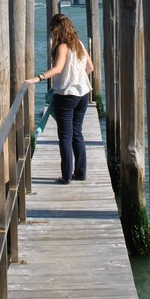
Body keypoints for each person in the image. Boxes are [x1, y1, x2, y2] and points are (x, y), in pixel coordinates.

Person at [25, 13, 94, 184]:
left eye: (51, 29)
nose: (50, 32)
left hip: (67, 94)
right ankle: (81, 172)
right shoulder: (79, 44)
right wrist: (76, 77)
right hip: (83, 93)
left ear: (57, 28)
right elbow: (90, 67)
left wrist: (37, 78)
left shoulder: (63, 46)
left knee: (65, 135)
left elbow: (57, 69)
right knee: (77, 133)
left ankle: (66, 176)